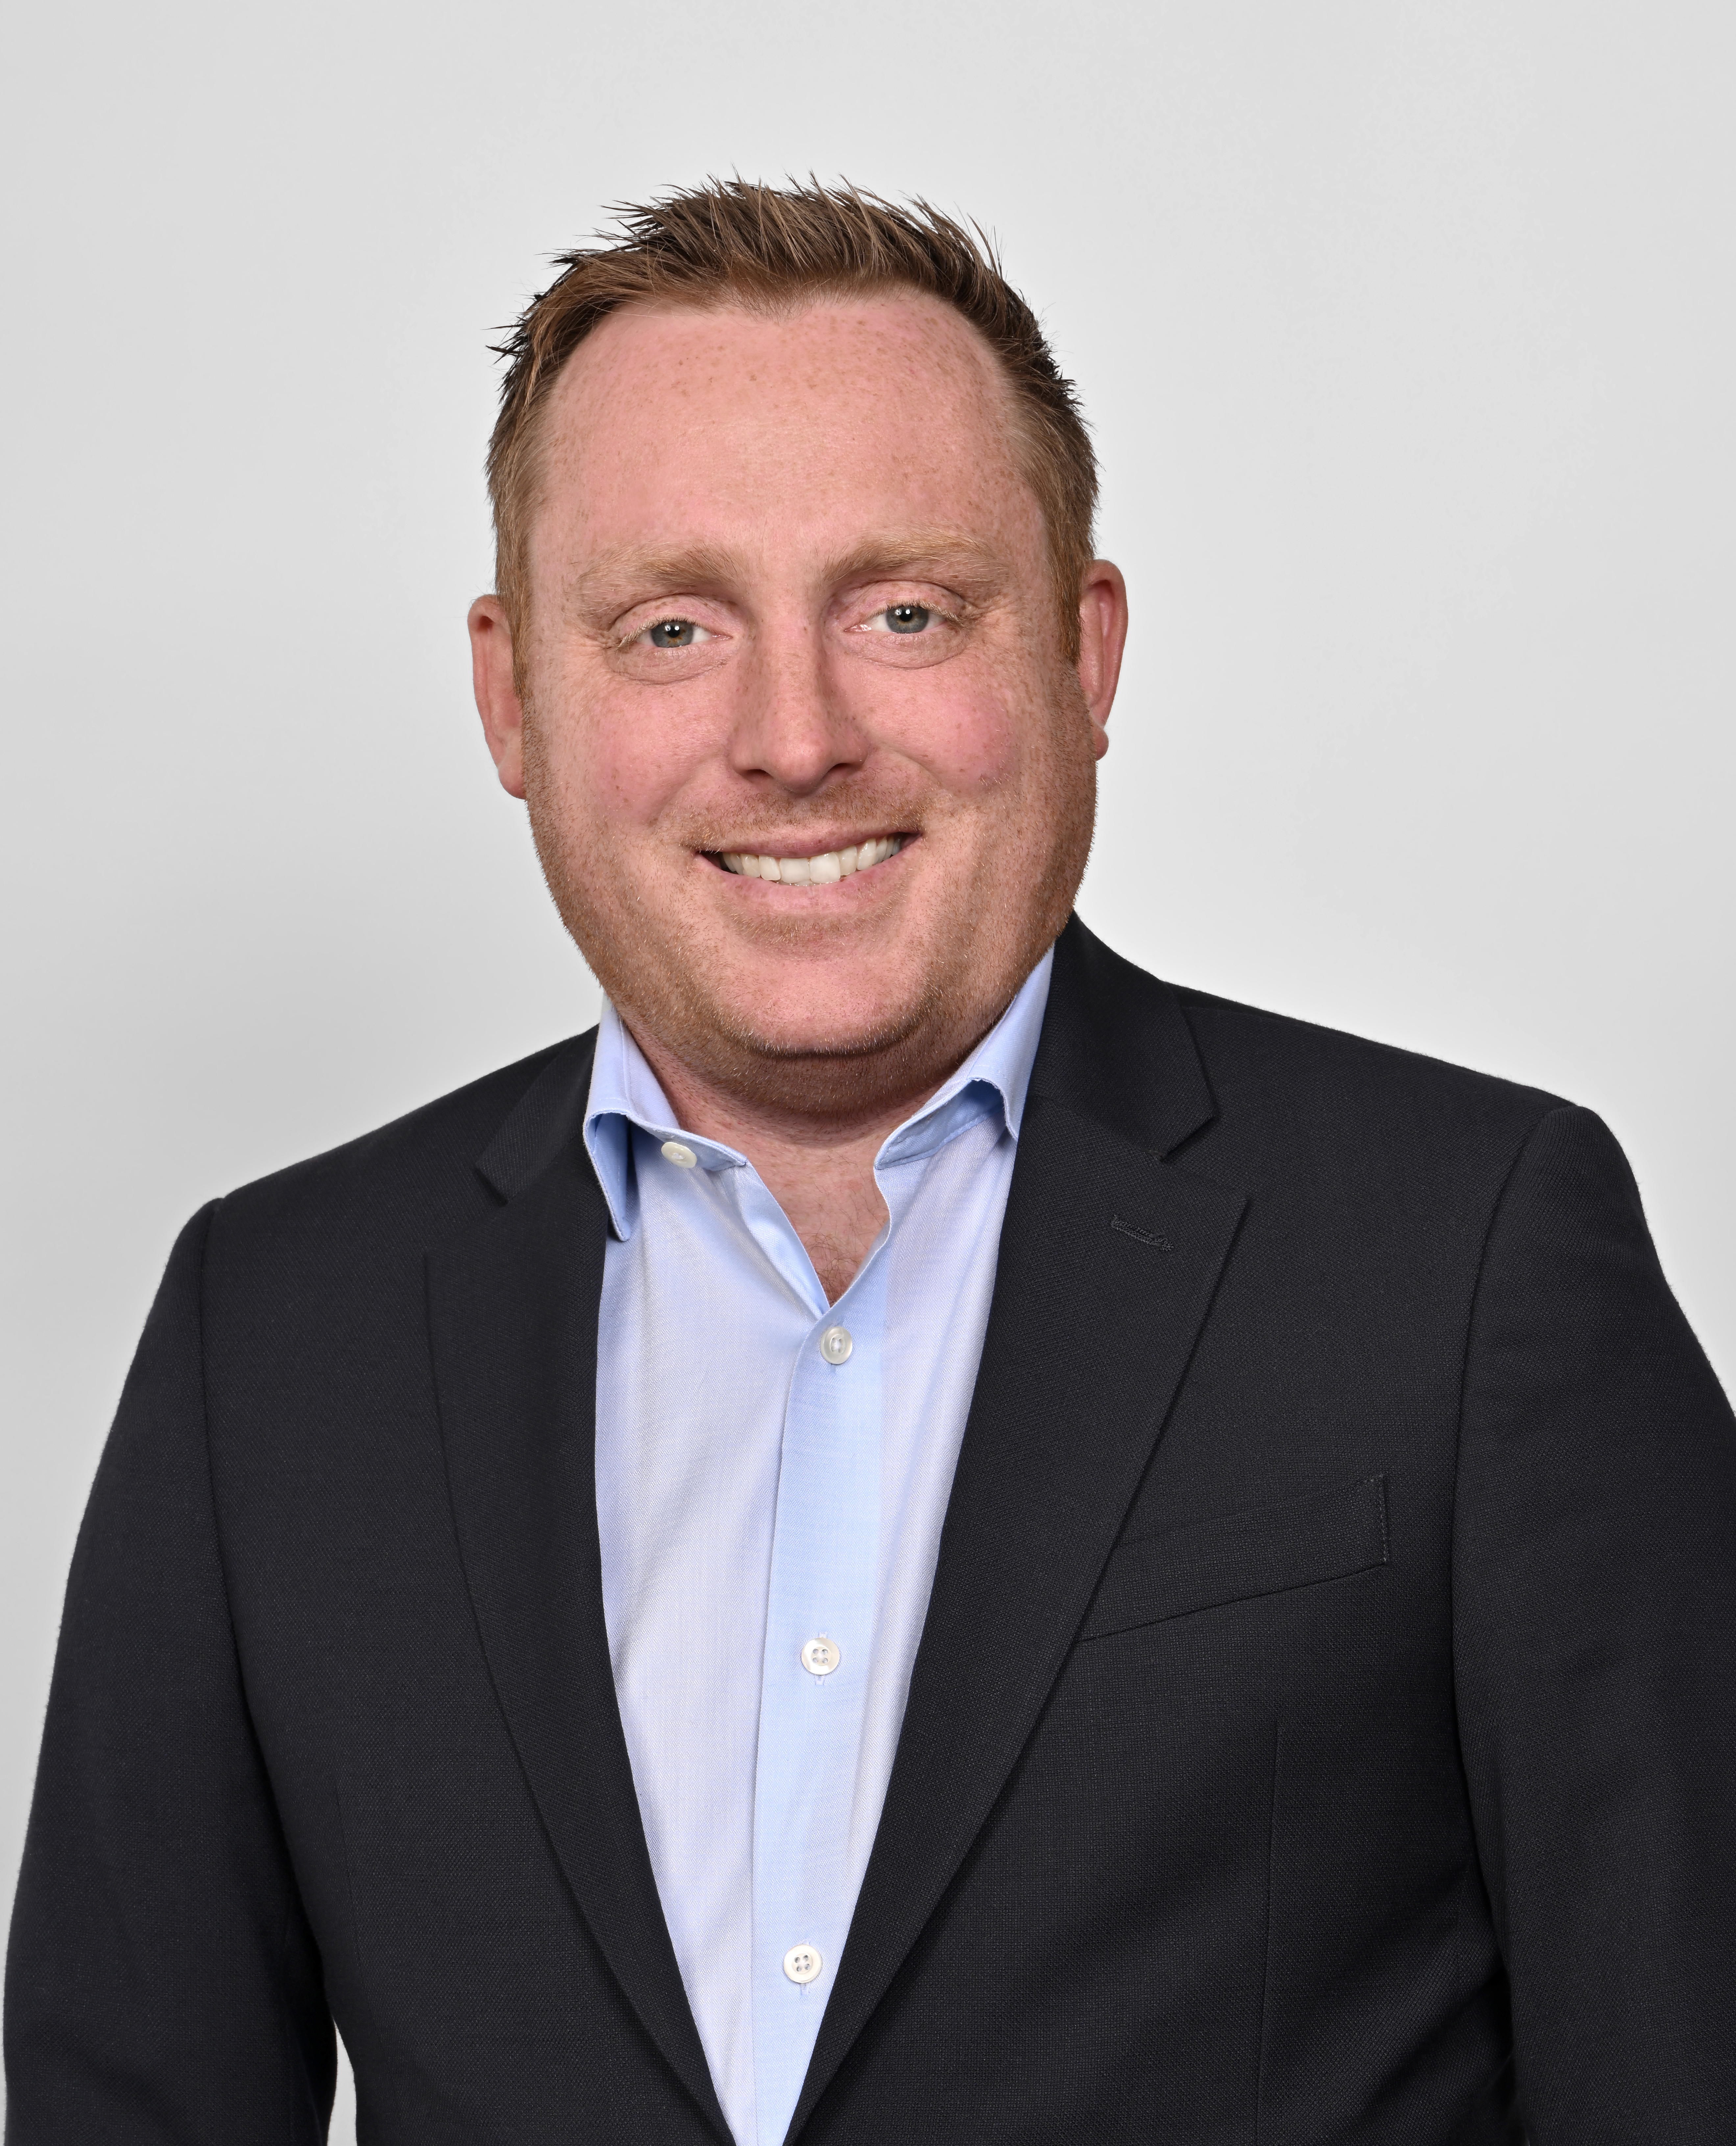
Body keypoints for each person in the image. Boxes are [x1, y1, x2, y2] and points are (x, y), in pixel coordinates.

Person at [6, 179, 1734, 2146]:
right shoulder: (271, 1338)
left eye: (904, 612)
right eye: (672, 628)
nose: (795, 736)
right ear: (512, 696)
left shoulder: (1469, 1262)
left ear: (1085, 654)